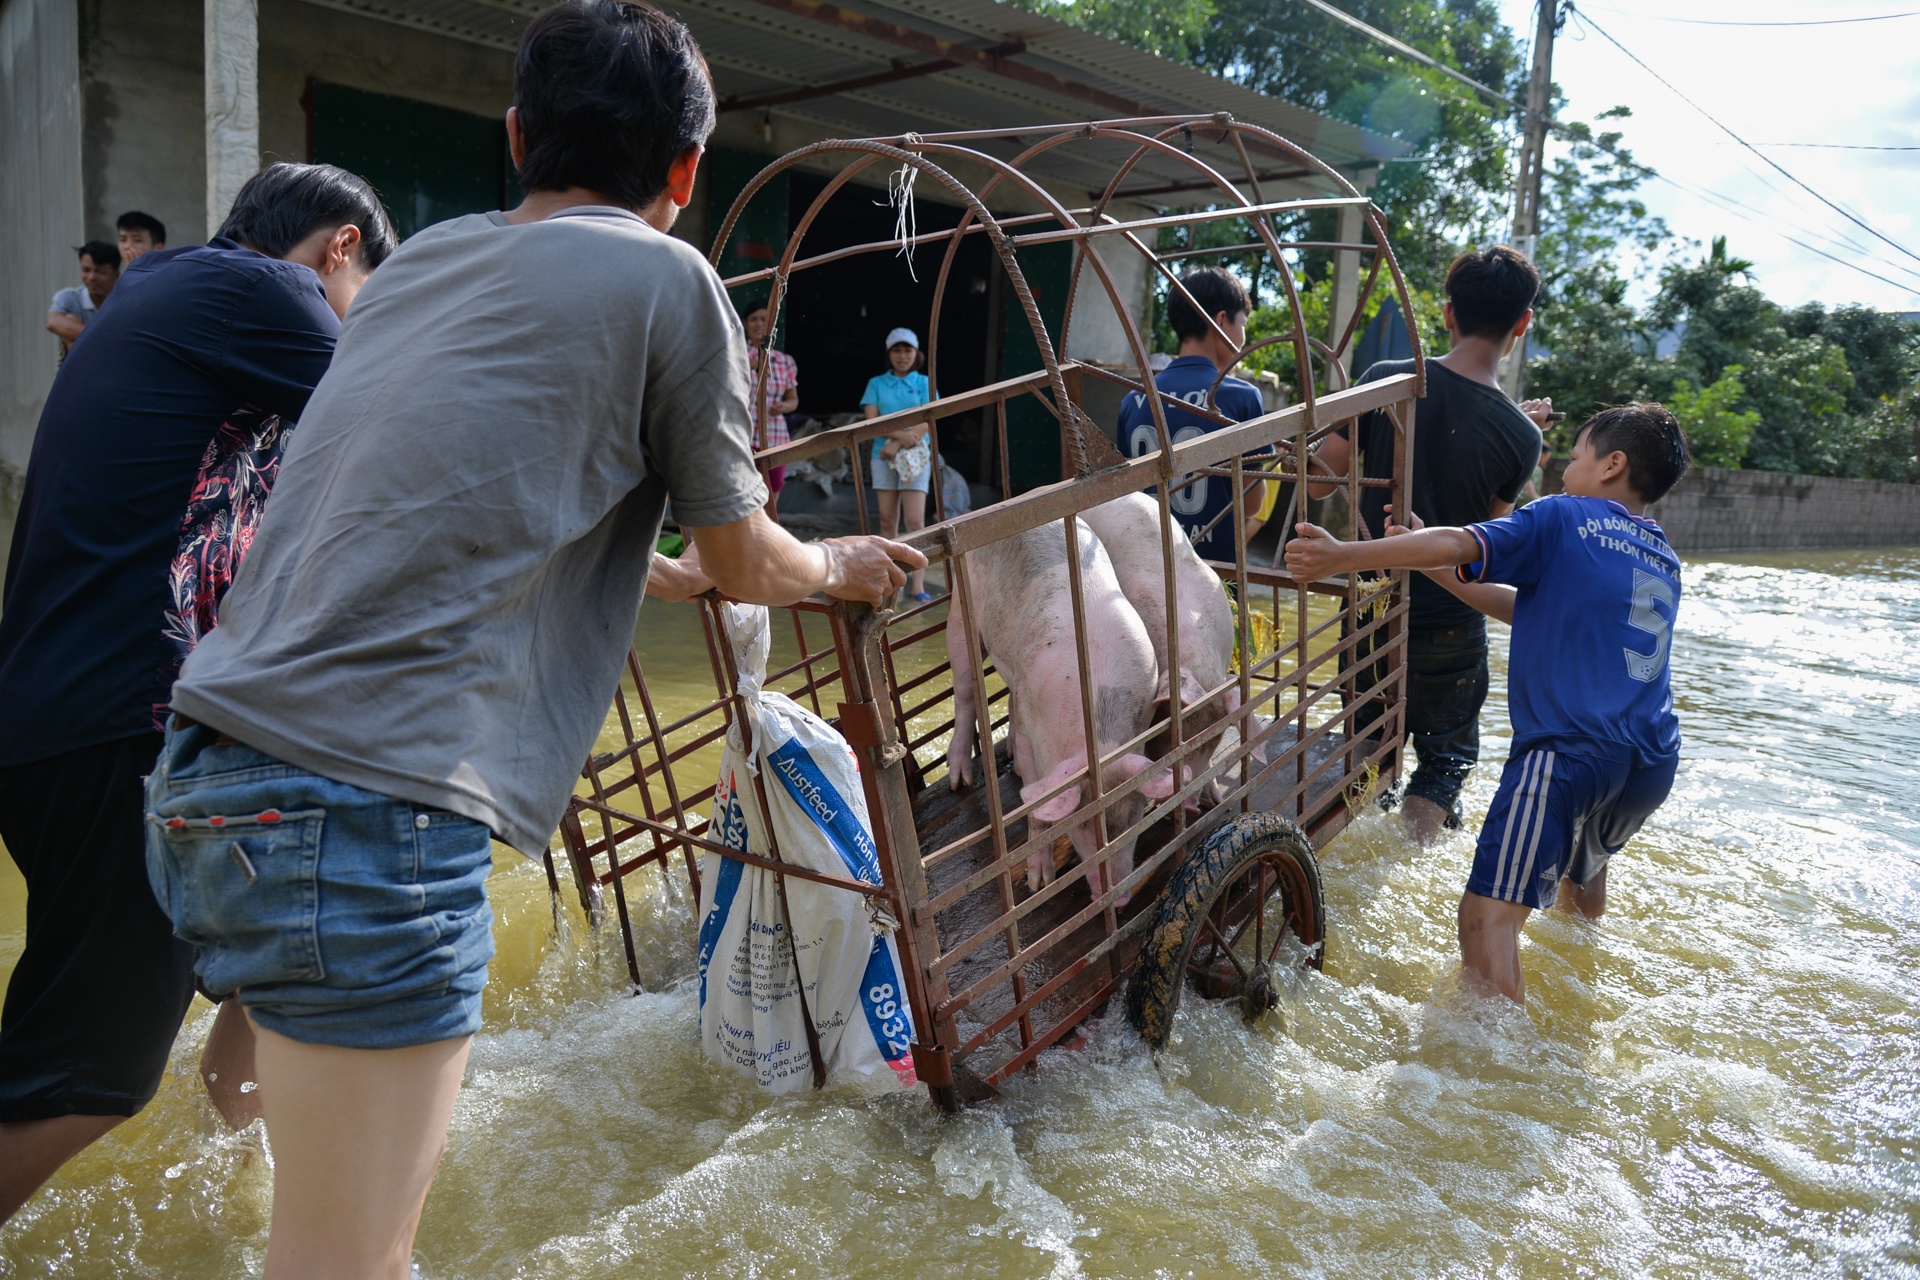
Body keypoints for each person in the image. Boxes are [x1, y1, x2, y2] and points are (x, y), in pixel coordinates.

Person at [144, 4, 924, 1274]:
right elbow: (748, 558)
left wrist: (648, 578)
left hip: (205, 771)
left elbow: (434, 500)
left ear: (516, 137)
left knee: (276, 1167)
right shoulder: (671, 279)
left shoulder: (423, 263)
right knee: (352, 1260)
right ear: (686, 172)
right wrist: (838, 562)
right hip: (373, 808)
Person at [0, 162, 395, 1224]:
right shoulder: (265, 292)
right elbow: (417, 434)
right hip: (119, 730)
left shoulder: (177, 298)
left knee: (291, 961)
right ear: (342, 248)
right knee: (89, 1072)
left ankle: (242, 1201)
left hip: (97, 725)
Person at [1285, 402, 1689, 1003]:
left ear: (1612, 465)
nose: (1562, 472)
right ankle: (1581, 980)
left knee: (1484, 919)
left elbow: (1456, 540)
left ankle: (1510, 1074)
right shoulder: (1660, 555)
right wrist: (1437, 561)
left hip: (1568, 755)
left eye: (1574, 457)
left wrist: (1343, 556)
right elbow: (1527, 610)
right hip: (1650, 762)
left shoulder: (1565, 518)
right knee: (1586, 868)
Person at [1309, 245, 1551, 843]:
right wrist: (1518, 436)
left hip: (1371, 610)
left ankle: (1342, 860)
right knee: (1443, 766)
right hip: (1453, 620)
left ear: (1448, 313)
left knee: (1366, 752)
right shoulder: (1523, 436)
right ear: (1523, 324)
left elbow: (1317, 479)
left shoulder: (1386, 381)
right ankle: (1406, 863)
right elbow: (1489, 540)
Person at [1115, 268, 1270, 562]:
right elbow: (1251, 504)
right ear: (1222, 320)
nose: (1244, 336)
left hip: (1145, 566)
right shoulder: (1242, 397)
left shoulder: (1133, 399)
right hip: (1212, 572)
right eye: (1243, 323)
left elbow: (1123, 497)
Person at [862, 326, 935, 601]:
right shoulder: (876, 383)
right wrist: (895, 439)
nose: (902, 356)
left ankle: (918, 586)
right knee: (887, 520)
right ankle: (893, 583)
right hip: (883, 457)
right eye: (897, 350)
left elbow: (930, 417)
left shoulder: (926, 382)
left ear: (916, 354)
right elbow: (871, 420)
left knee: (915, 520)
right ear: (889, 354)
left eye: (907, 350)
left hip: (916, 458)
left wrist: (900, 441)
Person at [742, 299, 798, 521]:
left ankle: (765, 549)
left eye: (764, 319)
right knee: (744, 498)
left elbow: (793, 400)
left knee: (771, 501)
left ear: (772, 325)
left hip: (775, 437)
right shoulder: (737, 354)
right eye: (753, 319)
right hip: (743, 435)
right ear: (745, 324)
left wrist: (785, 406)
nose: (758, 324)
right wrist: (751, 365)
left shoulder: (785, 361)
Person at [44, 240, 120, 362]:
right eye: (86, 270)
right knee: (70, 319)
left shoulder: (124, 301)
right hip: (82, 367)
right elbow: (52, 322)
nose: (91, 277)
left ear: (116, 274)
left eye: (100, 272)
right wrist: (103, 339)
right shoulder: (70, 298)